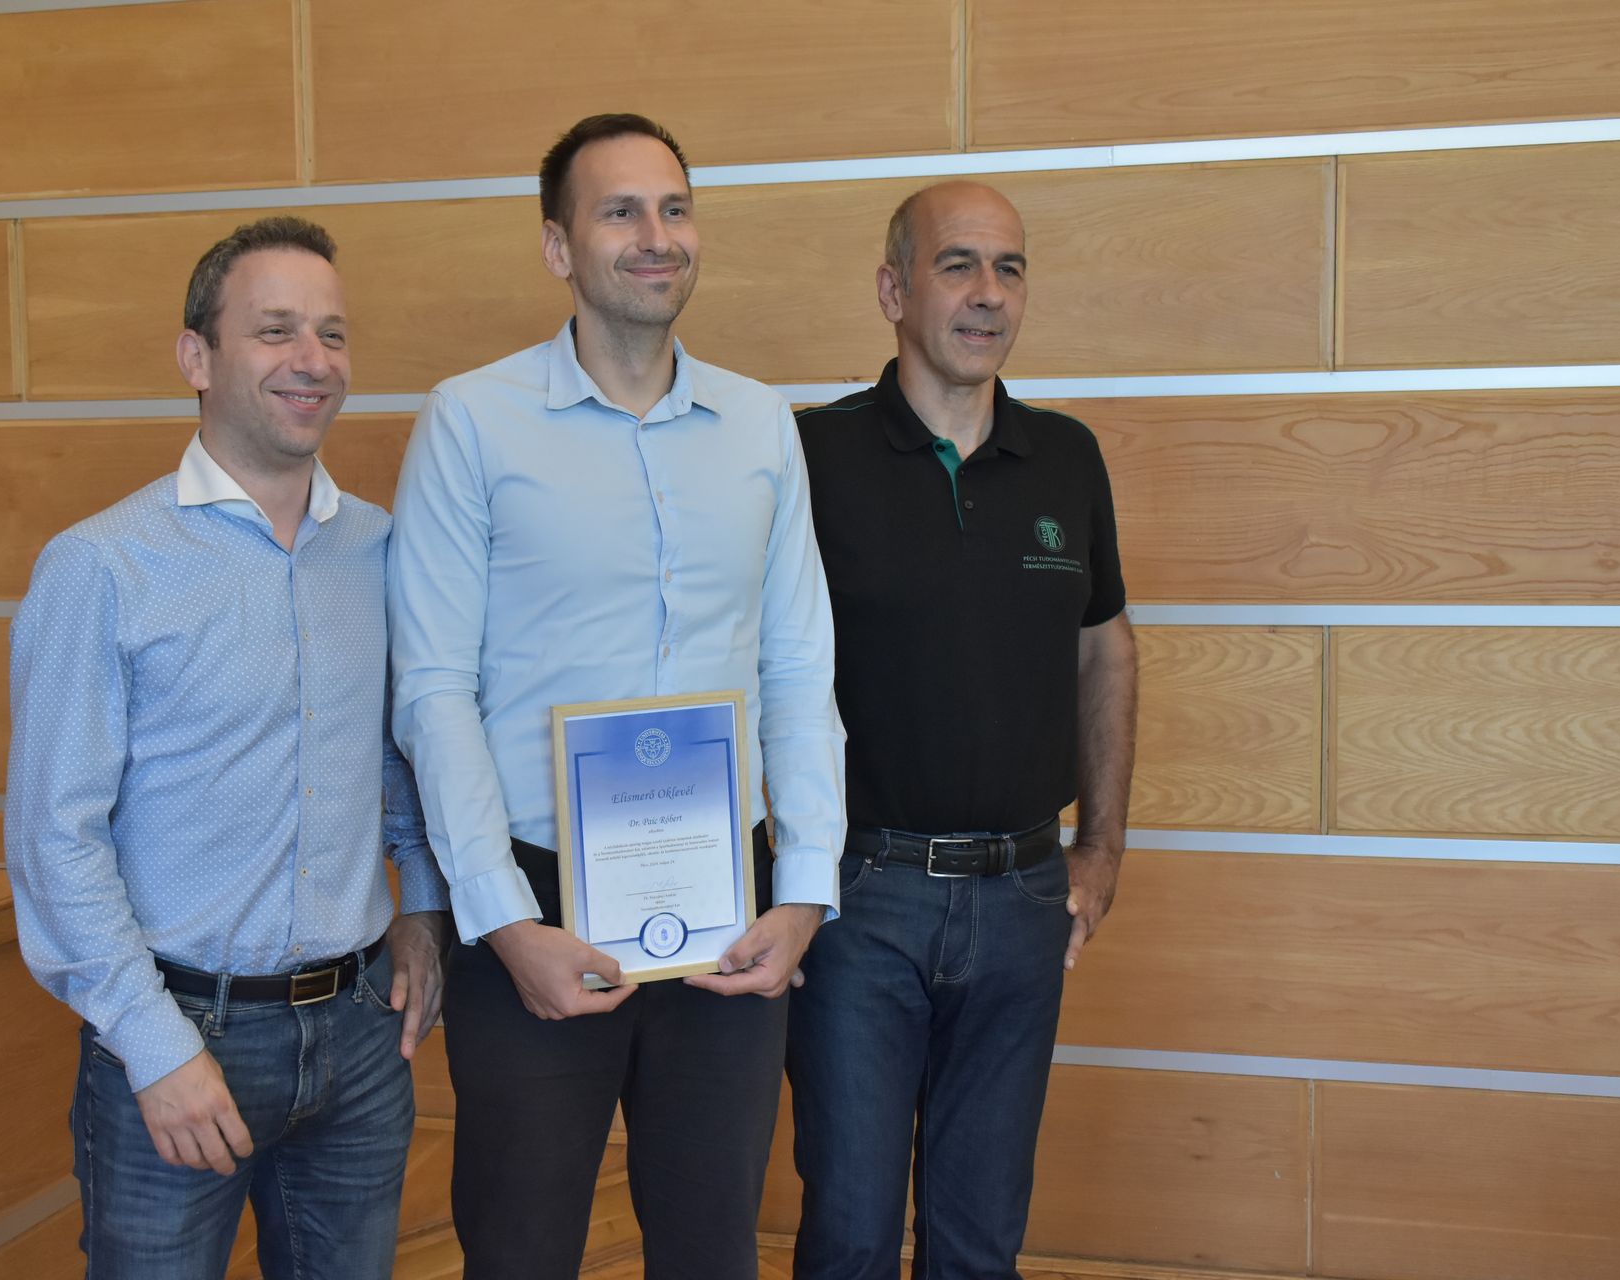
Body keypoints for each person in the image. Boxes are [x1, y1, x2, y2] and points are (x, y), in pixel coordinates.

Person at [387, 113, 846, 1280]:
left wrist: (803, 890)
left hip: (729, 908)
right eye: (621, 211)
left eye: (675, 208)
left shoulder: (758, 424)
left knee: (711, 1247)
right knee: (522, 1249)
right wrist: (501, 921)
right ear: (559, 246)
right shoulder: (471, 420)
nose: (657, 235)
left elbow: (799, 666)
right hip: (532, 905)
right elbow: (432, 687)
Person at [5, 215, 449, 1280]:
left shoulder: (380, 549)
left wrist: (426, 908)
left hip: (360, 1035)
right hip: (174, 1034)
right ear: (196, 357)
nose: (313, 361)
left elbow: (404, 759)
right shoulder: (102, 566)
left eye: (332, 334)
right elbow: (55, 838)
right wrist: (155, 1049)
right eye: (275, 330)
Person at [787, 181, 1139, 1279]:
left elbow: (1106, 648)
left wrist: (1102, 846)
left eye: (1010, 268)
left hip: (1025, 898)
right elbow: (745, 665)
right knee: (850, 1233)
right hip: (859, 902)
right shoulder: (808, 456)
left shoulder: (1067, 456)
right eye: (958, 265)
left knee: (981, 1242)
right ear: (894, 290)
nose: (988, 293)